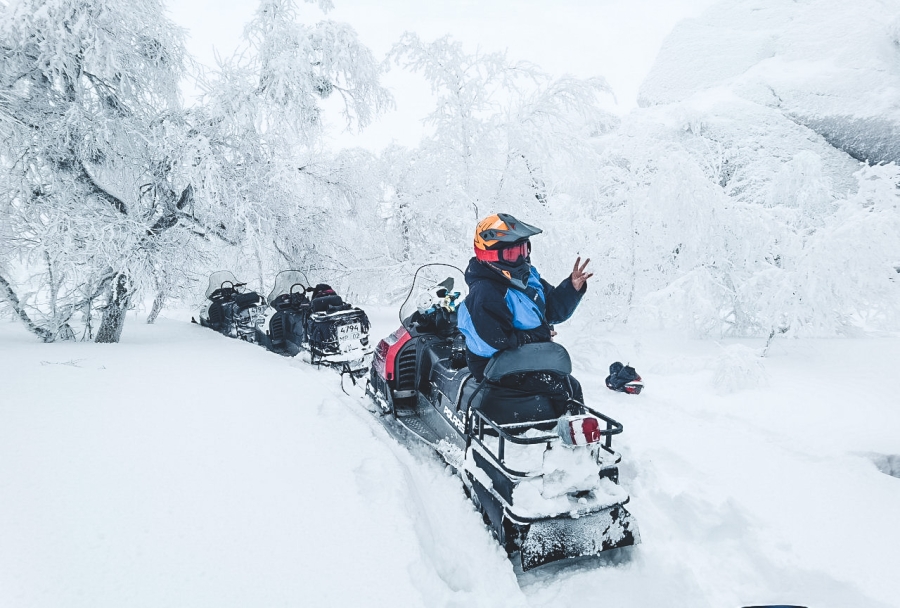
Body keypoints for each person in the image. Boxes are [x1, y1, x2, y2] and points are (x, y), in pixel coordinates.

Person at [456, 213, 592, 407]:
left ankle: (574, 429)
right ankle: (556, 431)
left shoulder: (528, 279)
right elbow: (497, 340)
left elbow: (550, 311)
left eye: (523, 250)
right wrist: (538, 335)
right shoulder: (486, 293)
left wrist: (571, 288)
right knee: (562, 389)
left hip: (525, 356)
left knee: (571, 386)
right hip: (494, 364)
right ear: (490, 255)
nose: (521, 258)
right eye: (512, 254)